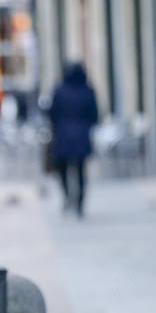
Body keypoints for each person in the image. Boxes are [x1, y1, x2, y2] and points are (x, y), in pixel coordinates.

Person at [47, 62, 99, 216]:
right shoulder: (87, 91)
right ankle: (80, 203)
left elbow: (51, 113)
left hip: (63, 136)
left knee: (62, 169)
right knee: (81, 170)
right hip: (82, 135)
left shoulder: (59, 91)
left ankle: (67, 196)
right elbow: (94, 114)